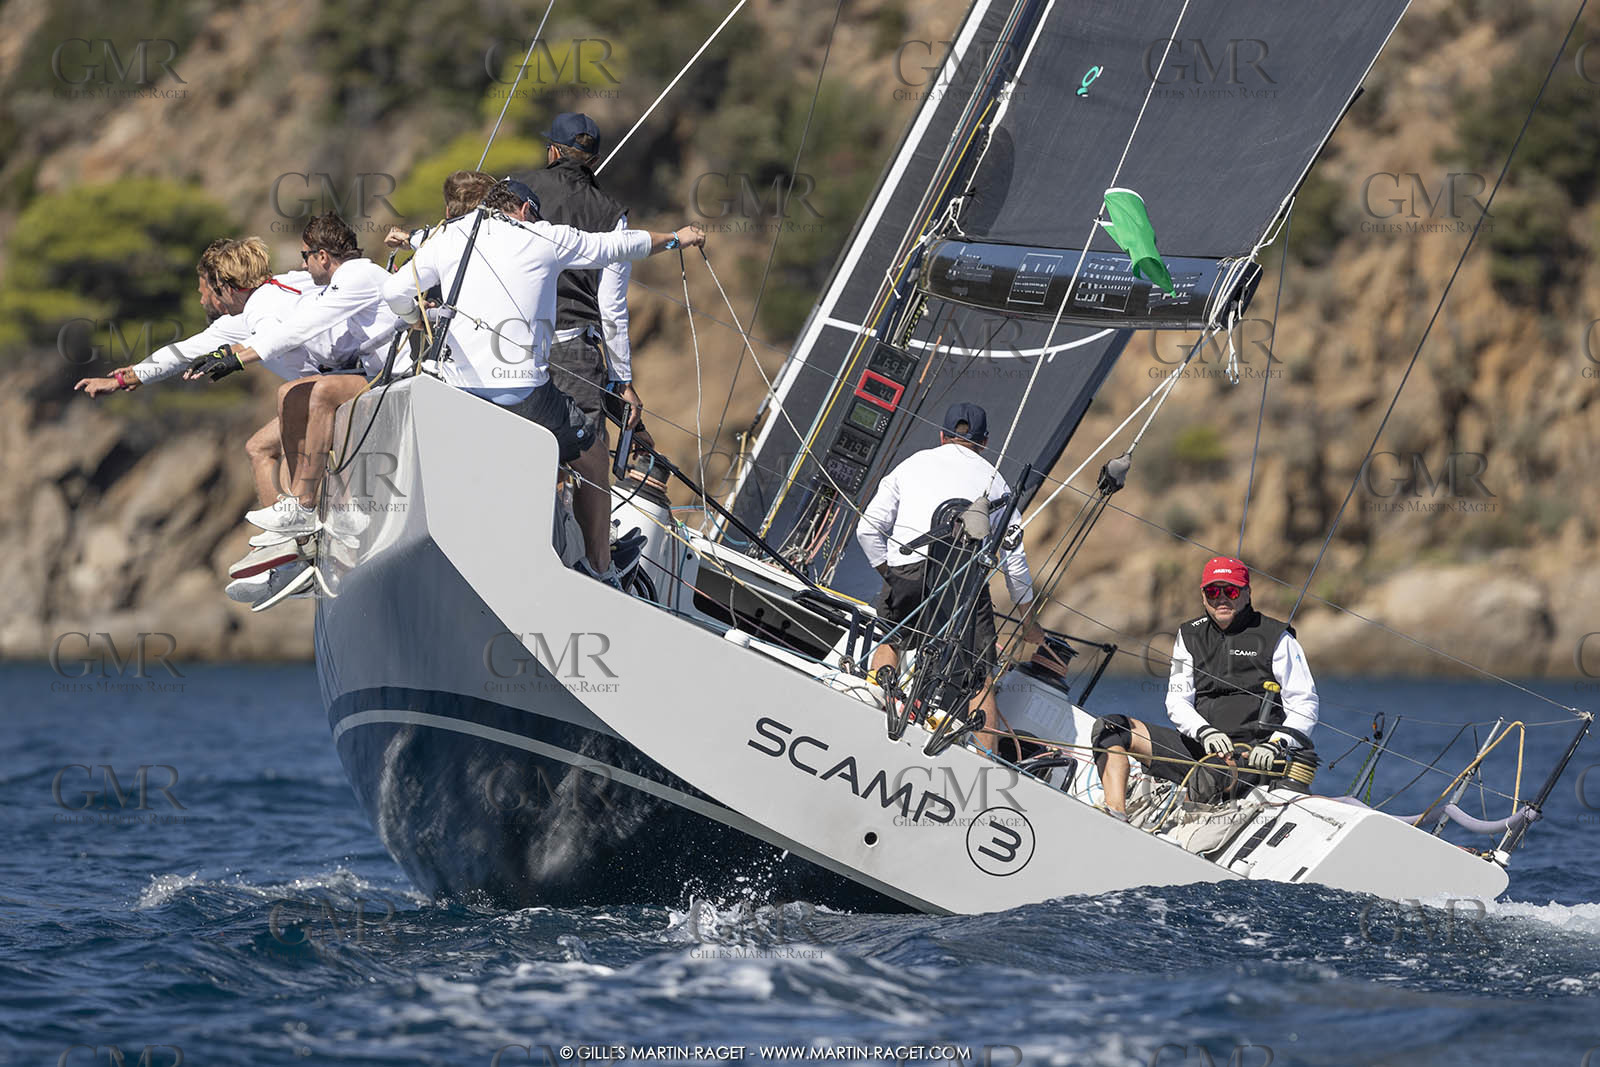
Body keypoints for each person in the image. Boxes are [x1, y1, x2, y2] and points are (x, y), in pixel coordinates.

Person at [377, 179, 703, 563]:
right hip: (522, 396)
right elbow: (618, 245)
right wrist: (675, 238)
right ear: (527, 210)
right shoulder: (543, 236)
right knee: (593, 458)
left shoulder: (449, 236)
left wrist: (416, 317)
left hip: (457, 392)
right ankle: (601, 565)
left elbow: (394, 292)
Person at [185, 214, 402, 540]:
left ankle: (305, 505)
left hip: (392, 376)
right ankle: (302, 523)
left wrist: (236, 360)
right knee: (291, 393)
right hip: (375, 373)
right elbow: (296, 330)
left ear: (322, 256)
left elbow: (299, 329)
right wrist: (228, 354)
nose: (303, 266)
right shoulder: (344, 279)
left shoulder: (356, 276)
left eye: (305, 257)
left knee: (322, 392)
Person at [855, 402, 1046, 755]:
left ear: (942, 435)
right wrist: (1028, 624)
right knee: (979, 677)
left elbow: (867, 530)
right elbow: (1014, 562)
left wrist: (891, 572)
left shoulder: (912, 465)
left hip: (909, 572)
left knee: (893, 638)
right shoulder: (999, 483)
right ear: (985, 442)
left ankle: (876, 705)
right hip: (966, 590)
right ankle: (984, 758)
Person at [74, 237, 322, 509]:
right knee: (266, 445)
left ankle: (292, 522)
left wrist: (120, 381)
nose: (203, 298)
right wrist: (127, 377)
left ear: (224, 288)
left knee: (262, 446)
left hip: (332, 385)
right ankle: (292, 521)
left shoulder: (248, 314)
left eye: (206, 290)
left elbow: (183, 354)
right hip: (336, 378)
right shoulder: (294, 281)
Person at [515, 113, 647, 585]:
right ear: (594, 159)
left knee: (522, 449)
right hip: (574, 352)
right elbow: (612, 307)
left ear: (552, 152)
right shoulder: (612, 213)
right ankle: (598, 568)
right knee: (586, 456)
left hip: (507, 345)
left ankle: (519, 543)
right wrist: (624, 381)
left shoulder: (514, 190)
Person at [1092, 556, 1320, 820]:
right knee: (1110, 728)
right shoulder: (1188, 635)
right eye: (1213, 592)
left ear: (1247, 593)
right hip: (1199, 743)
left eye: (1231, 591)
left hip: (1250, 754)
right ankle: (1115, 815)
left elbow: (1305, 704)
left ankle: (1185, 837)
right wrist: (1204, 732)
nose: (1221, 598)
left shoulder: (1277, 638)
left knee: (1210, 772)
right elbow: (1177, 701)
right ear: (1203, 596)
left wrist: (1278, 744)